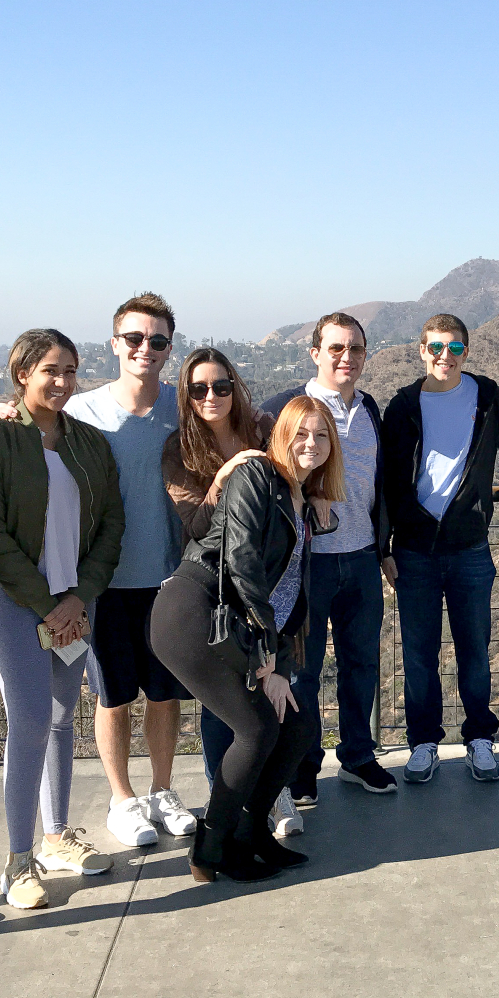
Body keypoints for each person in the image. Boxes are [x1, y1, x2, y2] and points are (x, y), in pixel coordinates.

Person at [150, 397, 342, 881]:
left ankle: (253, 833)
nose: (311, 443)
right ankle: (212, 847)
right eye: (301, 433)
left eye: (322, 435)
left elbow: (290, 590)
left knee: (296, 727)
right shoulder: (256, 476)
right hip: (193, 613)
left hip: (238, 624)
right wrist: (267, 656)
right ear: (281, 436)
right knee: (255, 729)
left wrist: (278, 661)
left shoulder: (302, 500)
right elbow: (242, 563)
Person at [0, 330, 125, 908]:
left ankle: (56, 837)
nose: (62, 382)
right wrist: (48, 604)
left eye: (70, 370)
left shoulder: (88, 442)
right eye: (50, 371)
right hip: (15, 599)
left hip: (75, 598)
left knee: (61, 716)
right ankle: (17, 860)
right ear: (23, 374)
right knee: (30, 719)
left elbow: (111, 523)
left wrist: (79, 597)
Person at [58, 293, 196, 846]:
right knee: (113, 696)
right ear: (114, 343)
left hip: (170, 577)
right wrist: (2, 414)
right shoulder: (80, 412)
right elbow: (30, 437)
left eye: (157, 340)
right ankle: (122, 799)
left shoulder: (184, 409)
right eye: (134, 338)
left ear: (169, 348)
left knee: (165, 693)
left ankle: (162, 790)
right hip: (104, 581)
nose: (145, 348)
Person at [262, 313, 396, 804]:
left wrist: (384, 547)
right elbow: (264, 472)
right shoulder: (286, 409)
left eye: (355, 348)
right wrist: (310, 492)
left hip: (361, 559)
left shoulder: (370, 409)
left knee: (361, 665)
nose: (346, 357)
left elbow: (379, 483)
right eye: (336, 348)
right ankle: (302, 766)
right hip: (308, 565)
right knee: (304, 671)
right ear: (315, 353)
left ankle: (358, 757)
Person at [160, 347, 294, 831]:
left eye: (221, 386)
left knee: (276, 691)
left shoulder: (263, 428)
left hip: (269, 576)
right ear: (187, 395)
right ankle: (226, 801)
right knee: (227, 705)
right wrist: (224, 476)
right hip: (217, 591)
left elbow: (299, 469)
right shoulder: (179, 449)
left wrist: (320, 495)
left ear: (235, 388)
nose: (211, 396)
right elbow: (195, 526)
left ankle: (270, 795)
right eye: (199, 388)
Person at [382, 314, 499, 785]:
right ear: (422, 350)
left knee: (474, 651)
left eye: (455, 347)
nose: (445, 356)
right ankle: (424, 743)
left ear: (466, 351)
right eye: (436, 347)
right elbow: (386, 480)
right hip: (414, 549)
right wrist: (384, 546)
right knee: (419, 655)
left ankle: (480, 738)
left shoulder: (487, 397)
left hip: (470, 547)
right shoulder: (403, 406)